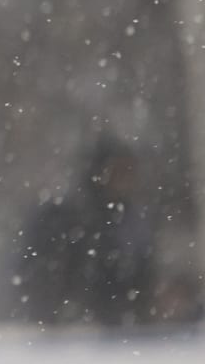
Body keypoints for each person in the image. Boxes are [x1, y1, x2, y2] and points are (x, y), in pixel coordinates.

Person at [18, 134, 159, 326]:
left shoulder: (133, 219)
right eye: (120, 171)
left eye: (130, 171)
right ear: (101, 173)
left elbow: (142, 274)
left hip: (119, 330)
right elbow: (49, 273)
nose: (128, 180)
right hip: (75, 330)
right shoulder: (69, 218)